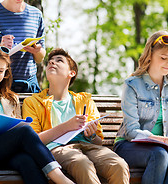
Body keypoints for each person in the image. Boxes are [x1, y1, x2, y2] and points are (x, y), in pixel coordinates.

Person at [0, 44, 74, 184]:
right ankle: (61, 179)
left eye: (1, 71)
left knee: (25, 161)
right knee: (25, 131)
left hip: (7, 154)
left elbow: (17, 133)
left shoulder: (11, 99)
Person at [22, 48, 130, 184]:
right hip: (58, 148)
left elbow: (98, 141)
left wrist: (90, 134)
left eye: (59, 60)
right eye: (50, 61)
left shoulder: (84, 100)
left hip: (88, 146)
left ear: (71, 73)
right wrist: (67, 126)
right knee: (83, 164)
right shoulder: (33, 102)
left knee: (119, 165)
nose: (52, 63)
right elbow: (34, 140)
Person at [114, 30, 168, 184]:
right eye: (163, 58)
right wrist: (166, 141)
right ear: (149, 55)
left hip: (163, 148)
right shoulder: (132, 85)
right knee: (159, 154)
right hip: (129, 146)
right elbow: (131, 132)